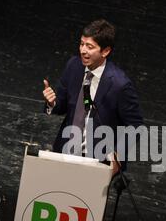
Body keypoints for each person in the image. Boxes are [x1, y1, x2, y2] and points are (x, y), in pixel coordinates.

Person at [42, 19, 143, 176]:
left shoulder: (119, 85)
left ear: (105, 51)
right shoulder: (73, 66)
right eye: (82, 44)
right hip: (65, 152)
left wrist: (117, 158)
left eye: (90, 47)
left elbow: (135, 125)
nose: (83, 50)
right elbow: (61, 106)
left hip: (97, 161)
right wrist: (52, 103)